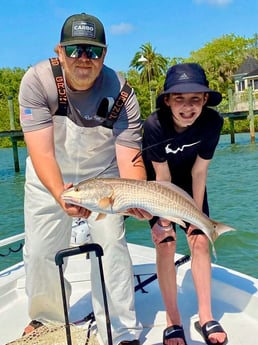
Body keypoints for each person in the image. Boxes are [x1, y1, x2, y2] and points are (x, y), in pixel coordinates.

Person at [19, 12, 150, 345]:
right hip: (48, 174)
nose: (83, 59)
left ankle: (121, 328)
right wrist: (62, 194)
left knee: (112, 243)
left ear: (104, 55)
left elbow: (130, 158)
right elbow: (42, 153)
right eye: (75, 49)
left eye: (92, 51)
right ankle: (46, 319)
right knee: (39, 250)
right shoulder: (37, 82)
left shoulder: (123, 93)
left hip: (104, 176)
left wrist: (136, 197)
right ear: (59, 51)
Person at [142, 63, 228, 345]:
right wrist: (164, 223)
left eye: (195, 99)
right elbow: (162, 178)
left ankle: (206, 316)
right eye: (179, 98)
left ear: (205, 100)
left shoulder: (213, 122)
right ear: (167, 100)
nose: (187, 107)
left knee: (200, 240)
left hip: (192, 183)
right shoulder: (155, 125)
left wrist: (195, 221)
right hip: (160, 184)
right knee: (165, 243)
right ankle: (173, 320)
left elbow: (199, 172)